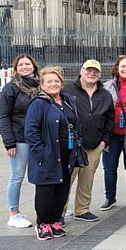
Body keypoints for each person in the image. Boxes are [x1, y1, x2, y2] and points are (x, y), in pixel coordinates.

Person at [25, 66, 82, 240]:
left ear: (62, 83)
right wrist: (41, 153)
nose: (53, 84)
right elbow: (30, 131)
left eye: (57, 81)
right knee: (46, 190)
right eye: (49, 81)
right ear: (42, 85)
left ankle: (54, 221)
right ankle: (43, 223)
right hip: (48, 154)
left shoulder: (67, 100)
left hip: (67, 154)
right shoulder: (39, 103)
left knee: (62, 188)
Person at [63, 60, 114, 223]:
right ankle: (58, 212)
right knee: (66, 179)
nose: (92, 74)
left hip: (94, 145)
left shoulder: (104, 93)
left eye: (95, 71)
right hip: (71, 144)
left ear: (99, 74)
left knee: (87, 179)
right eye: (88, 70)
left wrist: (104, 141)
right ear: (81, 71)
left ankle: (82, 209)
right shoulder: (68, 90)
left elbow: (109, 120)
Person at [0, 54, 39, 228]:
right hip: (19, 139)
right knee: (17, 176)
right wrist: (9, 143)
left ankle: (46, 208)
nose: (25, 67)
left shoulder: (40, 86)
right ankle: (13, 213)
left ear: (34, 66)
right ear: (16, 69)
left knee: (41, 174)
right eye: (21, 64)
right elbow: (3, 116)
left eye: (27, 64)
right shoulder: (10, 89)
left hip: (38, 138)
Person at [101, 55, 126, 211]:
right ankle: (109, 198)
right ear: (117, 68)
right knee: (109, 168)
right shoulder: (108, 86)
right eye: (123, 66)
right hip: (112, 134)